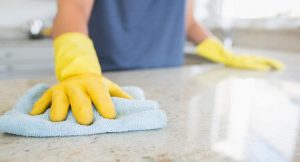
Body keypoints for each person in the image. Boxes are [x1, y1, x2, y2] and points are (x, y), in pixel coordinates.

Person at [30, 0, 284, 125]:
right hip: (107, 80)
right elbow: (73, 8)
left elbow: (189, 22)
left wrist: (225, 54)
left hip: (170, 78)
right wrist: (79, 69)